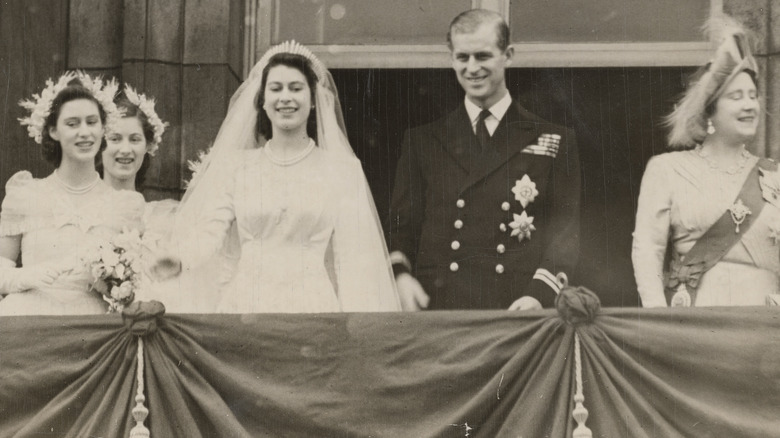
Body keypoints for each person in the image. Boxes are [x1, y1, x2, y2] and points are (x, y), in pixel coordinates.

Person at [152, 41, 401, 313]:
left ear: (314, 99)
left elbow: (353, 257)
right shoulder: (237, 167)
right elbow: (208, 231)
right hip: (246, 305)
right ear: (263, 100)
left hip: (312, 307)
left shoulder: (341, 170)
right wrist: (180, 259)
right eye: (276, 88)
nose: (285, 98)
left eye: (296, 88)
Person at [387, 9, 580, 311]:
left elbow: (565, 232)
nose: (472, 68)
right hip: (440, 305)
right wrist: (400, 276)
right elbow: (402, 227)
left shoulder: (553, 139)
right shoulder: (422, 141)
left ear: (509, 55)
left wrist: (538, 295)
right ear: (451, 58)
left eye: (483, 56)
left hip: (516, 307)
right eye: (462, 57)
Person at [632, 16, 780, 307]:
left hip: (766, 330)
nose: (750, 105)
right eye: (736, 96)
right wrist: (659, 319)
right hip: (696, 327)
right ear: (709, 112)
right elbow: (647, 251)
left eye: (753, 96)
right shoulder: (667, 169)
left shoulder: (775, 176)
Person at [0, 72, 145, 315]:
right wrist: (28, 276)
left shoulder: (126, 206)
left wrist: (111, 284)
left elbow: (134, 284)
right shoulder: (25, 195)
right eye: (72, 123)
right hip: (28, 321)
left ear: (103, 129)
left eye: (92, 122)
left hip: (95, 328)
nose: (85, 132)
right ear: (53, 131)